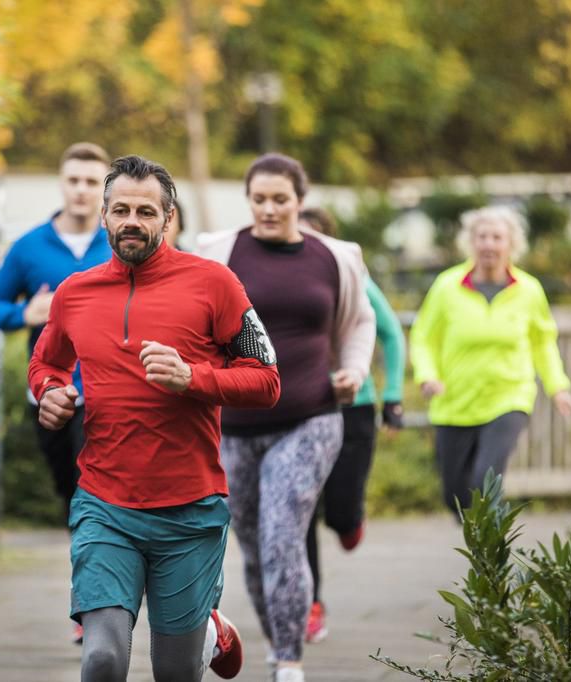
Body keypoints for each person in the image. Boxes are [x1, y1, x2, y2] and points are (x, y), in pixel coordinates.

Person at [29, 155, 280, 681]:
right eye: (120, 209)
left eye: (146, 211)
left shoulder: (215, 283)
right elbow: (48, 362)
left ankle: (208, 630)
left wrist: (193, 378)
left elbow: (266, 380)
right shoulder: (74, 293)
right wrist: (49, 392)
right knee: (101, 659)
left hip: (190, 511)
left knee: (175, 672)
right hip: (105, 503)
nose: (132, 222)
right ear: (103, 216)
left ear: (168, 218)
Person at [197, 153, 375, 682]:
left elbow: (361, 320)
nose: (269, 209)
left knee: (282, 535)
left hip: (310, 416)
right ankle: (280, 636)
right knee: (252, 546)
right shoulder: (218, 251)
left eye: (280, 199)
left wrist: (355, 370)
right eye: (258, 199)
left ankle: (289, 661)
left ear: (301, 199)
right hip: (234, 425)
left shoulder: (335, 256)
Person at [0, 142, 111, 643]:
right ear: (62, 184)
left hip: (105, 395)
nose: (81, 190)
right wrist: (24, 316)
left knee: (90, 496)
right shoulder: (30, 247)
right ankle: (95, 589)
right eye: (73, 180)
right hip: (52, 393)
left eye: (91, 182)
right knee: (70, 497)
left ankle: (93, 608)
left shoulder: (118, 243)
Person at [409, 205, 571, 516]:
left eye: (497, 237)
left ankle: (494, 554)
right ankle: (483, 544)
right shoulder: (447, 287)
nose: (488, 244)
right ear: (470, 242)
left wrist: (558, 387)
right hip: (454, 402)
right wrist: (427, 375)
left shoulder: (528, 290)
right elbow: (423, 338)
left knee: (485, 479)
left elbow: (542, 343)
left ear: (511, 243)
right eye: (482, 236)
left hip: (508, 397)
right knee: (455, 496)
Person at [296, 206, 406, 644]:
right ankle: (310, 604)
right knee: (300, 509)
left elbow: (392, 334)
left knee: (340, 513)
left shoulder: (352, 275)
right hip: (300, 408)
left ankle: (349, 521)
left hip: (353, 407)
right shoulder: (274, 279)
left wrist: (393, 396)